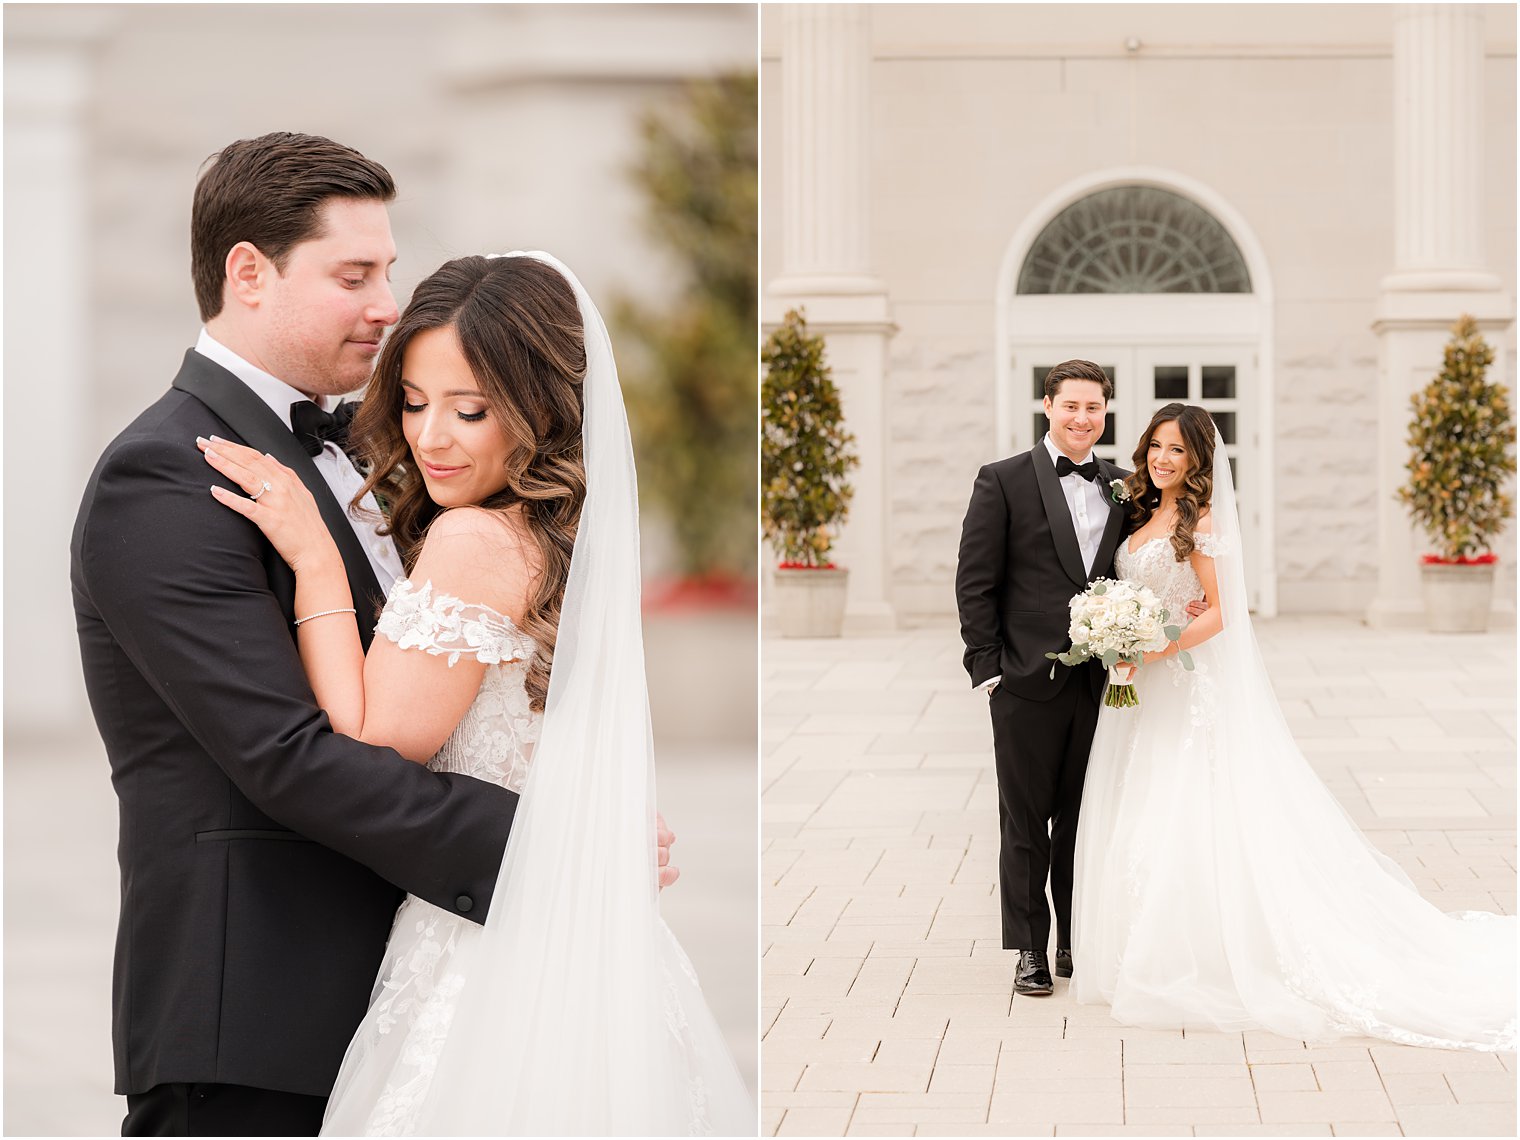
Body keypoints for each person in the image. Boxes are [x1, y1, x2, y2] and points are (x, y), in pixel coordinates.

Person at [70, 133, 676, 1136]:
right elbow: (288, 755)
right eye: (354, 274)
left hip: (404, 998)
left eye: (389, 270)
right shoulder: (167, 474)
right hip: (255, 1010)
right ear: (249, 273)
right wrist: (559, 842)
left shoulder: (388, 451)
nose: (387, 303)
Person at [199, 251, 755, 1134]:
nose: (430, 439)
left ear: (540, 409)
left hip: (487, 947)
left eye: (470, 410)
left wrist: (312, 560)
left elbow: (373, 737)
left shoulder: (472, 540)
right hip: (571, 932)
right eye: (414, 404)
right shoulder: (561, 535)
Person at [1072, 402, 1516, 1050]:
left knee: (1191, 807)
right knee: (1143, 805)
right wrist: (1116, 633)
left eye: (1176, 450)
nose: (1162, 459)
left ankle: (1202, 954)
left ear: (1199, 461)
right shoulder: (1141, 512)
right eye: (1155, 447)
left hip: (1185, 682)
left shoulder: (1204, 523)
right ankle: (1141, 943)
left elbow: (1223, 611)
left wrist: (1153, 646)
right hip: (1145, 691)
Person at [955, 360, 1205, 997]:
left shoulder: (1124, 487)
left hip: (1106, 682)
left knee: (1085, 815)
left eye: (1094, 409)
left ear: (1105, 414)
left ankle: (1076, 940)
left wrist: (1184, 615)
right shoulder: (1003, 480)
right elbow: (975, 581)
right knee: (1024, 820)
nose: (1082, 419)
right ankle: (1029, 951)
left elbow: (1152, 562)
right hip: (1023, 679)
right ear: (1048, 406)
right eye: (1071, 406)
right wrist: (988, 670)